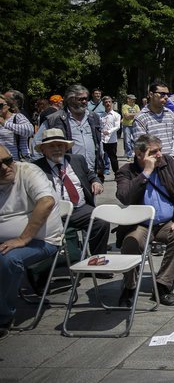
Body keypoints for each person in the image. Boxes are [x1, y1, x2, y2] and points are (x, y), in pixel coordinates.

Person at [115, 134, 174, 307]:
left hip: (166, 222)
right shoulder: (126, 171)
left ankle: (163, 285)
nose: (159, 155)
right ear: (139, 154)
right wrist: (146, 173)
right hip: (140, 224)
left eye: (160, 150)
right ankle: (129, 287)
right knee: (131, 243)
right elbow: (125, 197)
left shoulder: (167, 163)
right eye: (154, 152)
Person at [0, 144, 61, 338]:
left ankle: (3, 317)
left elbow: (46, 202)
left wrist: (23, 238)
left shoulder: (28, 171)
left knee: (8, 259)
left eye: (7, 161)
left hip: (41, 240)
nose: (4, 167)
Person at [33, 129, 111, 262]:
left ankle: (96, 262)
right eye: (52, 146)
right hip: (53, 213)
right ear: (43, 150)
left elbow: (89, 174)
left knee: (101, 221)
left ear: (65, 147)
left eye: (60, 145)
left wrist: (96, 182)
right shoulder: (36, 168)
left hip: (79, 208)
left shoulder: (76, 160)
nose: (57, 149)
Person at [36, 85, 104, 175]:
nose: (84, 101)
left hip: (91, 173)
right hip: (67, 174)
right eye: (81, 99)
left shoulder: (93, 117)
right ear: (70, 100)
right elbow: (37, 144)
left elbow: (99, 144)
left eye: (86, 99)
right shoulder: (54, 119)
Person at [133, 81, 174, 159]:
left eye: (168, 94)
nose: (166, 97)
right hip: (151, 162)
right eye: (162, 94)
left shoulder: (170, 114)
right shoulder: (141, 118)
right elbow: (141, 145)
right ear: (151, 94)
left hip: (170, 160)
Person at [0, 93, 34, 161]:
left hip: (18, 161)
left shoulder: (17, 117)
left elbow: (29, 131)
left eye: (0, 105)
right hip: (2, 163)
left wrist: (4, 123)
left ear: (8, 105)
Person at [100, 96, 121, 177]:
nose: (108, 103)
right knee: (101, 157)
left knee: (113, 158)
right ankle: (100, 174)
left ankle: (117, 174)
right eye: (106, 102)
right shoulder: (101, 115)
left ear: (112, 103)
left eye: (109, 102)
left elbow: (117, 126)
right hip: (102, 140)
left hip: (112, 140)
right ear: (103, 104)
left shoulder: (116, 115)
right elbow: (100, 126)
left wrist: (108, 132)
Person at [121, 94, 140, 159]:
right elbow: (126, 116)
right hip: (126, 125)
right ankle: (129, 155)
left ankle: (135, 154)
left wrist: (130, 115)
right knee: (127, 140)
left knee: (136, 140)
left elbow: (139, 115)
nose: (133, 100)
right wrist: (134, 115)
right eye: (132, 99)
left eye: (134, 99)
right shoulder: (125, 106)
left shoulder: (136, 106)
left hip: (135, 125)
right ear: (128, 99)